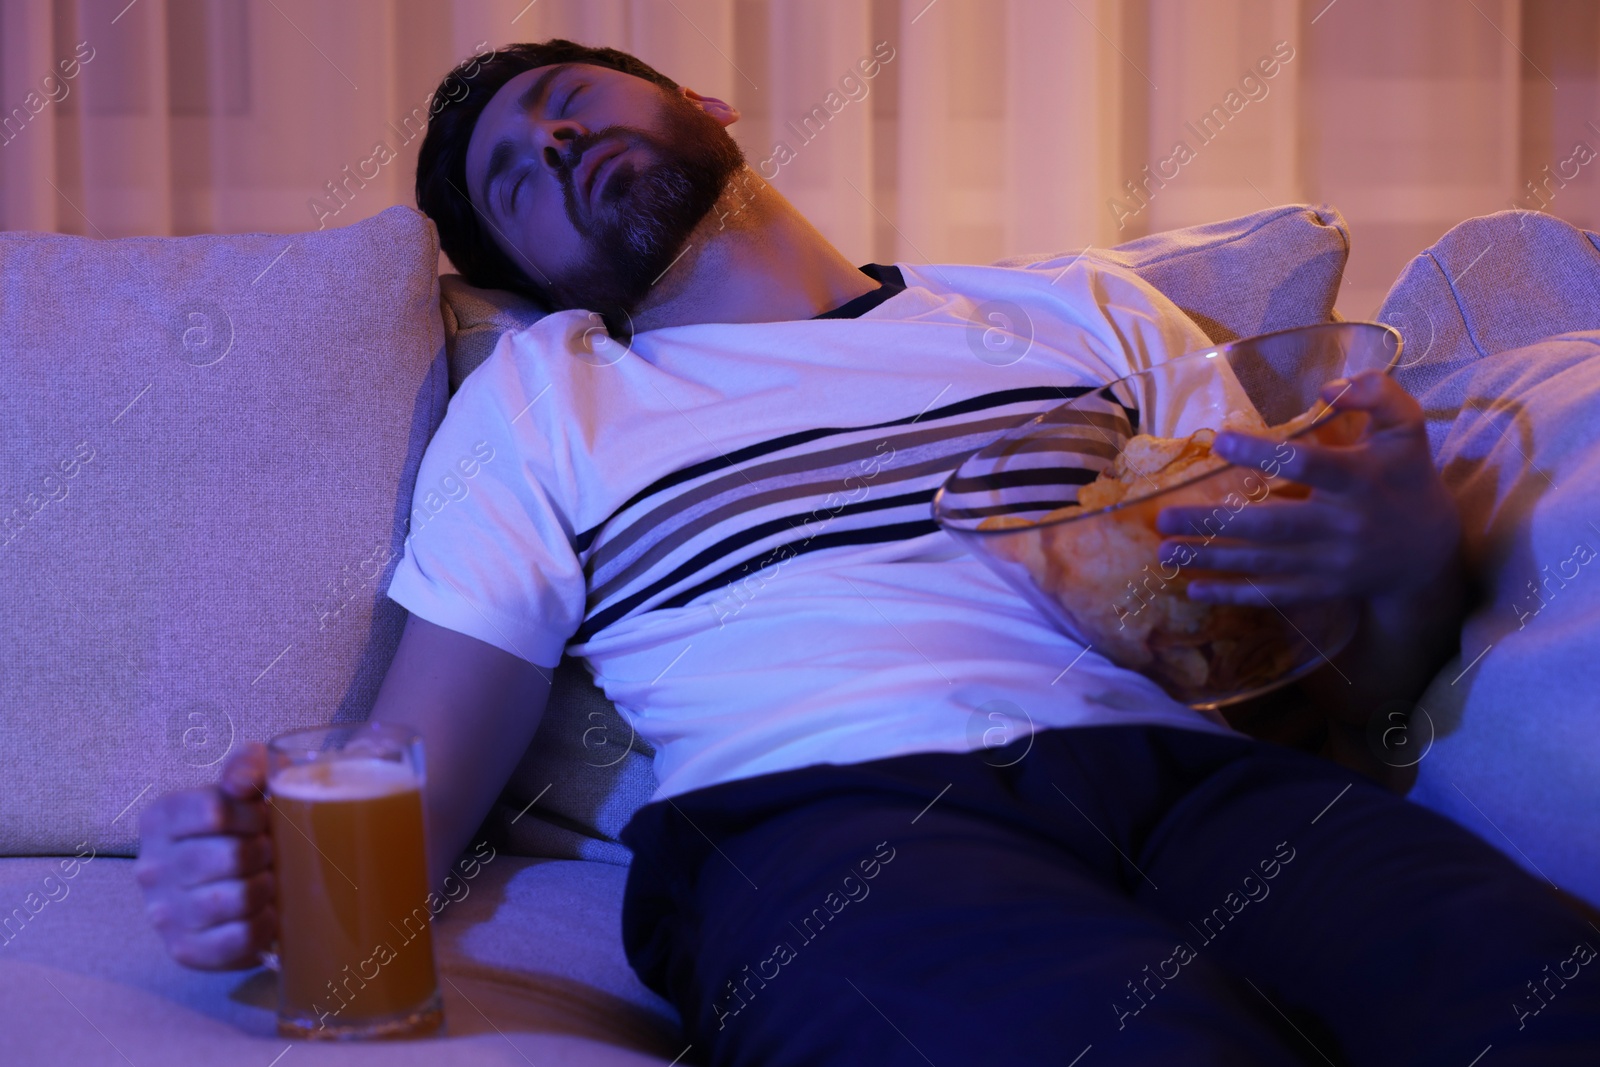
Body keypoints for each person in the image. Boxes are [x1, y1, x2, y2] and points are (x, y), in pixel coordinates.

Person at [134, 40, 1600, 1066]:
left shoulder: (1082, 313)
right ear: (531, 278)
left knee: (1539, 1006)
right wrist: (263, 875)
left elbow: (1316, 674)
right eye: (518, 179)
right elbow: (410, 782)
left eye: (571, 107)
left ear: (699, 101)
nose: (558, 143)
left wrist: (1405, 564)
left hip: (1211, 785)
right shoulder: (549, 395)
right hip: (829, 822)